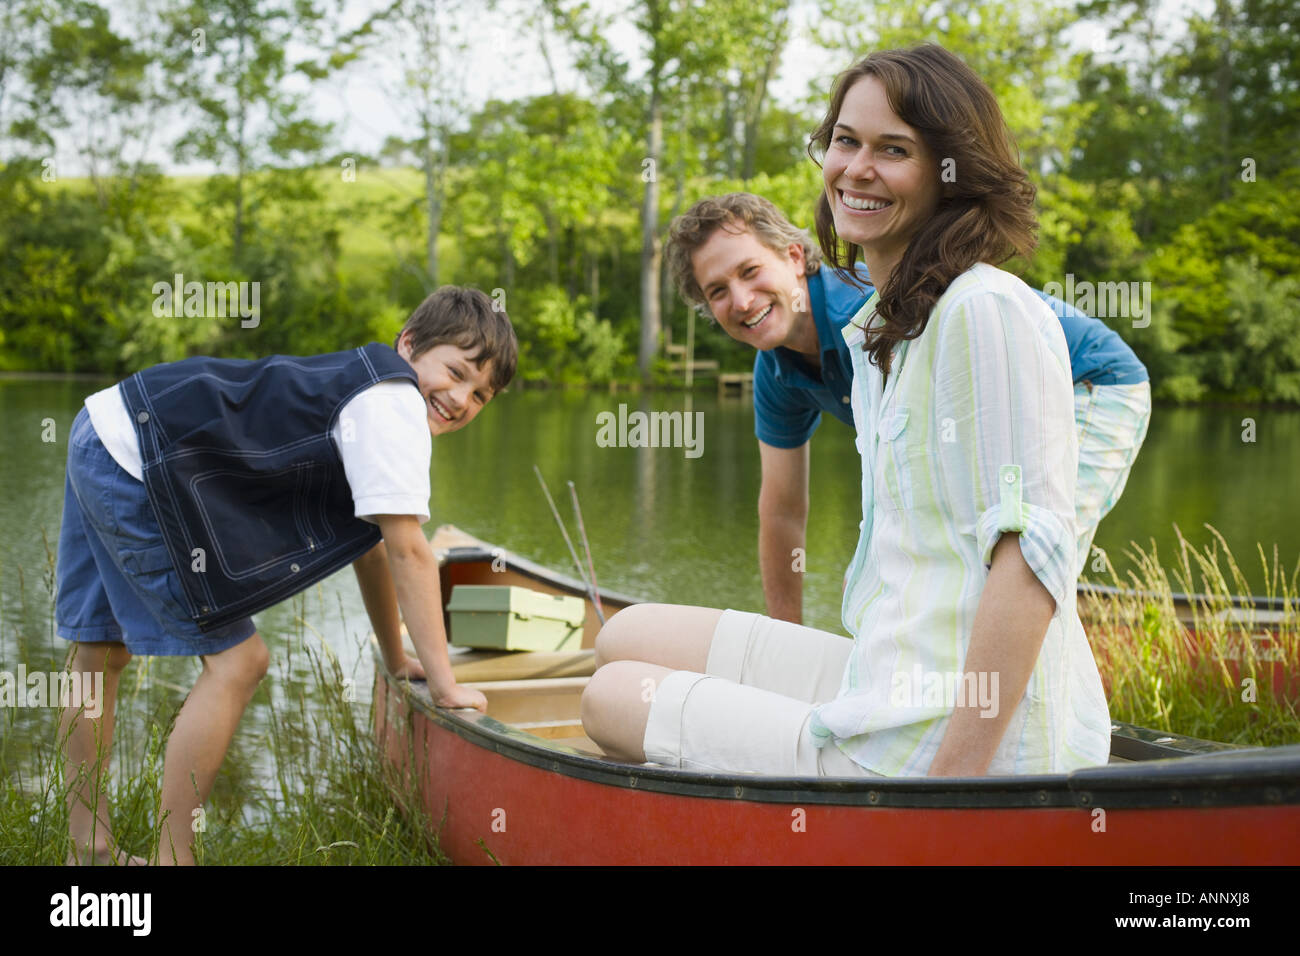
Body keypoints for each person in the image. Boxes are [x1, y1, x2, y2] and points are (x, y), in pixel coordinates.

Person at [581, 44, 1112, 778]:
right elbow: (781, 511)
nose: (857, 168)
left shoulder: (984, 311)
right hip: (887, 670)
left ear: (949, 170)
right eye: (844, 141)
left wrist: (949, 794)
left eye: (894, 149)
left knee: (612, 698)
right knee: (625, 637)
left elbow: (1032, 557)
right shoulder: (877, 338)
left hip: (940, 734)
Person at [55, 286, 516, 864]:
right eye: (455, 372)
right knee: (239, 663)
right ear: (409, 344)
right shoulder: (393, 403)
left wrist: (397, 657)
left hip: (105, 425)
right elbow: (410, 553)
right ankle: (175, 859)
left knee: (98, 652)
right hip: (140, 462)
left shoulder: (371, 391)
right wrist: (446, 685)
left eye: (481, 395)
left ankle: (87, 852)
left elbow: (372, 549)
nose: (460, 398)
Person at [665, 192, 1151, 625]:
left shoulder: (862, 311)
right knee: (899, 582)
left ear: (794, 256)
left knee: (1026, 562)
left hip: (1089, 383)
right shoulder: (775, 371)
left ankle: (1017, 718)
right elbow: (782, 512)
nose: (742, 300)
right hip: (982, 418)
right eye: (718, 291)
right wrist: (784, 636)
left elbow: (935, 453)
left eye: (749, 271)